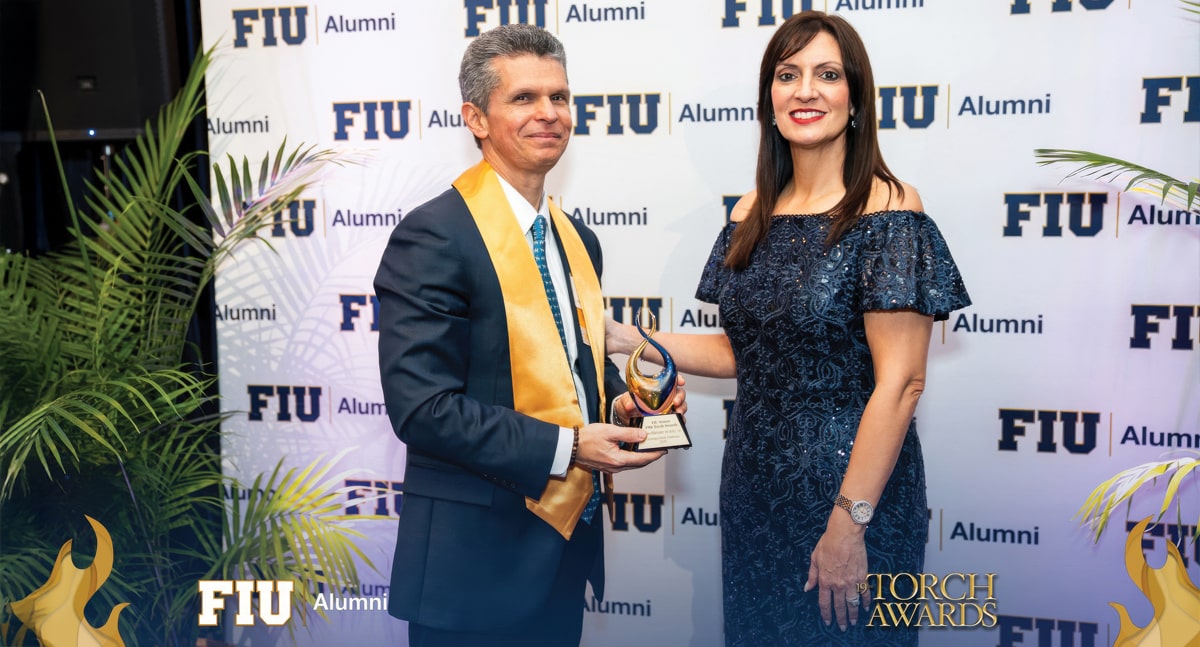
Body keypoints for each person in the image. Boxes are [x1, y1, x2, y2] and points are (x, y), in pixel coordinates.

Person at [606, 11, 970, 646]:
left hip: (849, 495)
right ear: (768, 99)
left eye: (827, 75)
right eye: (788, 74)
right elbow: (746, 353)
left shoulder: (890, 207)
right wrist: (629, 340)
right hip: (753, 488)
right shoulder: (752, 211)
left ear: (855, 99)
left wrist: (848, 525)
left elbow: (903, 383)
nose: (805, 91)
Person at [374, 23, 680, 647]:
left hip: (563, 554)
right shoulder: (434, 237)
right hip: (473, 571)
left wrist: (621, 403)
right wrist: (570, 446)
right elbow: (423, 409)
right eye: (524, 98)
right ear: (476, 118)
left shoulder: (577, 240)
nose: (550, 114)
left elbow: (567, 368)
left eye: (560, 97)